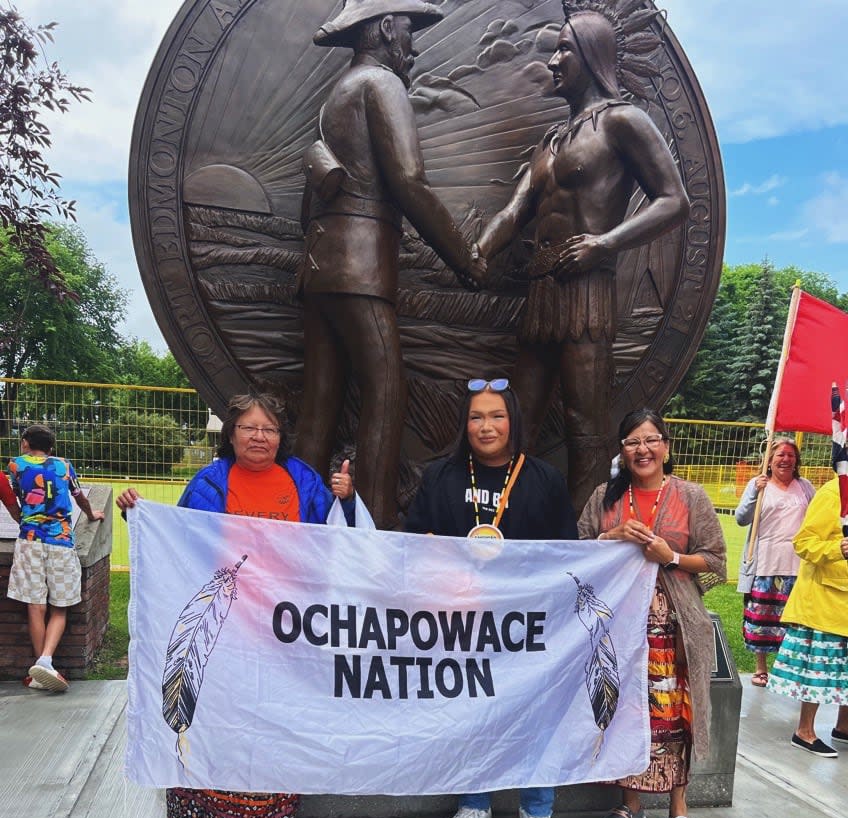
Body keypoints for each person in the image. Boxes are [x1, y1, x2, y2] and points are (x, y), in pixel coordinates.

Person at [117, 392, 355, 818]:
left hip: (285, 629)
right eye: (248, 427)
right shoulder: (210, 482)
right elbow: (177, 542)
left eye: (269, 428)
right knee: (218, 722)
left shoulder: (303, 480)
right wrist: (136, 514)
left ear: (281, 436)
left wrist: (345, 502)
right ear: (232, 433)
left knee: (277, 726)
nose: (259, 436)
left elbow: (336, 539)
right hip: (223, 629)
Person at [476, 11, 689, 512]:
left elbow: (674, 200)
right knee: (517, 420)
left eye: (563, 50)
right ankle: (505, 524)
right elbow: (514, 211)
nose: (552, 62)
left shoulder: (622, 121)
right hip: (542, 289)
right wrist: (476, 253)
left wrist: (606, 243)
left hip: (588, 289)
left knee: (585, 427)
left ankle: (584, 541)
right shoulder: (550, 141)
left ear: (592, 57)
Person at [297, 0, 486, 529]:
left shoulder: (336, 93)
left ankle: (296, 532)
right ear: (384, 28)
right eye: (407, 32)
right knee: (385, 399)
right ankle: (374, 537)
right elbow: (409, 181)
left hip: (319, 270)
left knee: (317, 413)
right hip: (361, 272)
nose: (414, 45)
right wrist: (465, 259)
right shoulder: (382, 86)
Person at [405, 377, 578, 818]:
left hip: (526, 626)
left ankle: (537, 813)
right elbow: (413, 541)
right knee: (472, 715)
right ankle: (474, 804)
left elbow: (564, 552)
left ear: (513, 421)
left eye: (496, 416)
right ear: (465, 423)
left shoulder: (542, 478)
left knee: (536, 717)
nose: (486, 426)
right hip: (461, 624)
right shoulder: (441, 476)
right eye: (477, 416)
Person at [577, 409, 726, 818]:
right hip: (619, 633)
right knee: (624, 714)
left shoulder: (690, 496)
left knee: (676, 717)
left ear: (666, 445)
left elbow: (717, 561)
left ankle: (679, 810)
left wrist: (671, 556)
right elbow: (576, 551)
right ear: (621, 450)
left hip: (674, 632)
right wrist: (610, 538)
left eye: (650, 440)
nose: (641, 450)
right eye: (631, 442)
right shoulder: (605, 497)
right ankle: (630, 805)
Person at [6, 424, 105, 692]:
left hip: (29, 542)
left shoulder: (16, 465)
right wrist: (92, 513)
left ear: (26, 443)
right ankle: (46, 661)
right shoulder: (64, 466)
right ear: (51, 447)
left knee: (35, 605)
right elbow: (79, 497)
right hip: (61, 542)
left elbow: (17, 498)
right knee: (59, 606)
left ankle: (40, 671)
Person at [767, 476, 848, 757]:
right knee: (818, 669)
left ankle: (843, 727)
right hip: (824, 601)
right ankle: (804, 731)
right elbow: (804, 542)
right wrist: (838, 548)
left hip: (843, 601)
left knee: (845, 669)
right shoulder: (835, 491)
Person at [735, 438, 814, 687]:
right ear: (769, 460)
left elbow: (815, 518)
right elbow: (741, 518)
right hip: (765, 564)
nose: (785, 459)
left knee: (792, 621)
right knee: (762, 620)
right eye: (780, 454)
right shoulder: (759, 485)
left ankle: (786, 669)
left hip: (797, 565)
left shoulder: (805, 487)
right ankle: (761, 669)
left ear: (796, 461)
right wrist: (753, 493)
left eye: (791, 455)